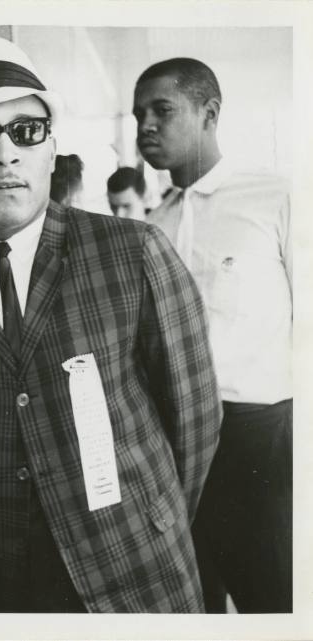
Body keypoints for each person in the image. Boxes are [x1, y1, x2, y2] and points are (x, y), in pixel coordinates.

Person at [0, 37, 222, 613]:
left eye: (25, 131)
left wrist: (153, 518)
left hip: (137, 577)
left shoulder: (135, 252)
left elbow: (195, 420)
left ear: (50, 148)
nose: (5, 154)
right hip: (3, 582)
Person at [133, 57, 292, 613]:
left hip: (262, 440)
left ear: (210, 113)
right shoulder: (152, 228)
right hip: (177, 443)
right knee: (193, 600)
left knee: (273, 600)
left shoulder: (276, 199)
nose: (145, 126)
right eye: (138, 116)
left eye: (162, 110)